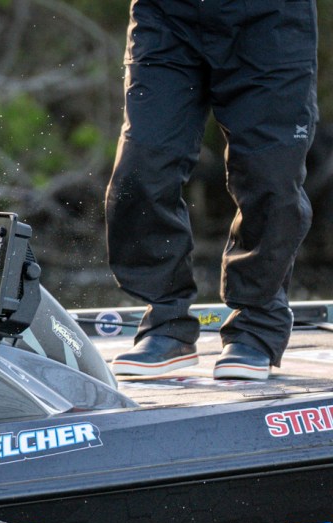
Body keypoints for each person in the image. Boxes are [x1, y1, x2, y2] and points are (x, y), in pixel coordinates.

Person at [106, 0, 318, 380]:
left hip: (269, 20)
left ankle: (257, 325)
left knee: (270, 179)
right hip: (166, 15)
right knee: (141, 169)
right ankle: (166, 322)